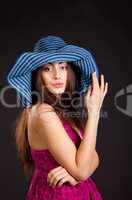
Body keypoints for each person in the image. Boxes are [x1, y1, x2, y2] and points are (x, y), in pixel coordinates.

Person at [6, 35, 108, 200]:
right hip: (58, 194)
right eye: (47, 69)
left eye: (62, 67)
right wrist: (94, 112)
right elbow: (83, 169)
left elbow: (93, 157)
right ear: (37, 76)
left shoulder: (63, 111)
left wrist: (76, 176)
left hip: (77, 192)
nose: (57, 75)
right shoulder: (43, 113)